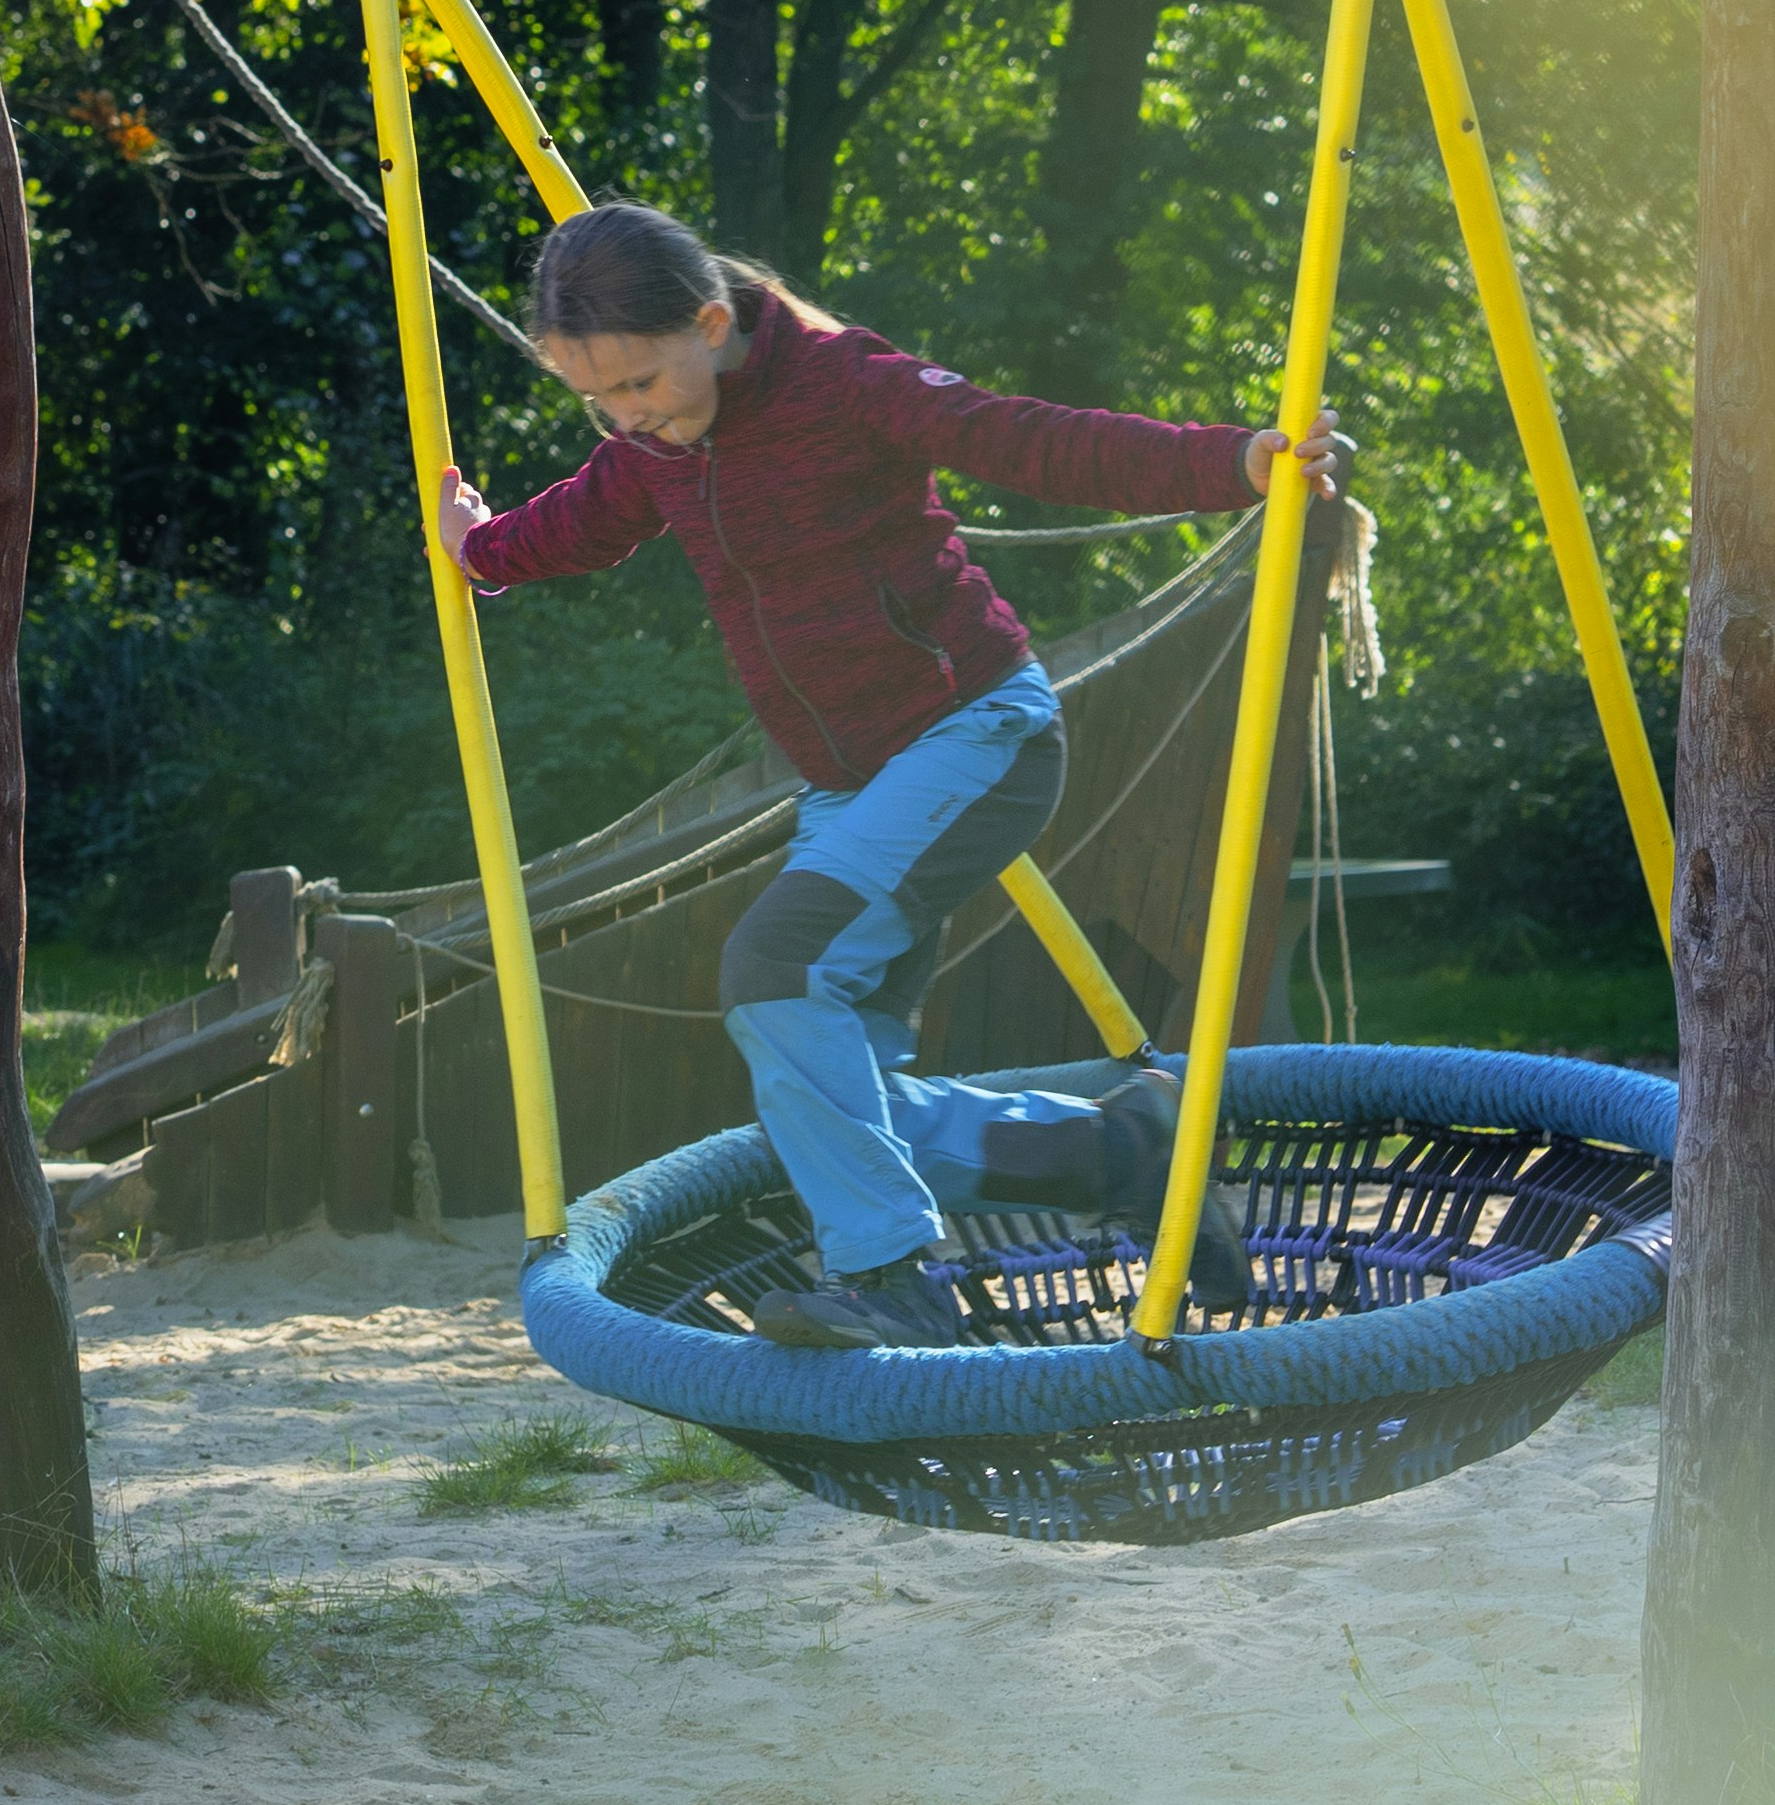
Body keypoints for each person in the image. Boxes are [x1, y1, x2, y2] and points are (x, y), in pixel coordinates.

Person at [441, 201, 1348, 1351]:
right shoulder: (659, 443)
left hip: (974, 735)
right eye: (598, 397)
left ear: (711, 321)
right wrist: (480, 547)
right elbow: (583, 520)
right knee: (837, 1093)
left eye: (640, 383)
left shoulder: (843, 380)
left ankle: (890, 1272)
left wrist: (1233, 460)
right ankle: (1117, 1150)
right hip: (848, 788)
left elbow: (1031, 438)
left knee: (771, 971)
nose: (628, 417)